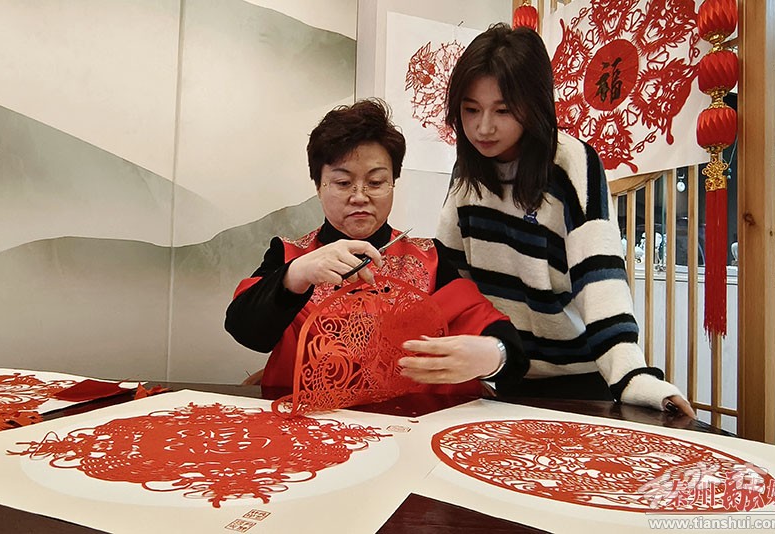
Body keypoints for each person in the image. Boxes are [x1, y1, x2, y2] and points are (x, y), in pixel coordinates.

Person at [418, 23, 695, 417]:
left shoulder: (571, 164)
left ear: (534, 105)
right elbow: (451, 276)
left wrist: (633, 376)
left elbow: (599, 281)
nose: (483, 127)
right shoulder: (468, 170)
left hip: (575, 379)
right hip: (497, 373)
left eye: (503, 110)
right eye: (471, 109)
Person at [225, 98, 526, 395]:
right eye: (343, 183)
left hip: (407, 419)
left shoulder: (430, 257)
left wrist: (493, 355)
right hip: (309, 417)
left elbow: (507, 346)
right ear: (318, 187)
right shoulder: (291, 255)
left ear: (393, 183)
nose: (360, 196)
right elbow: (247, 333)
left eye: (376, 182)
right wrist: (297, 274)